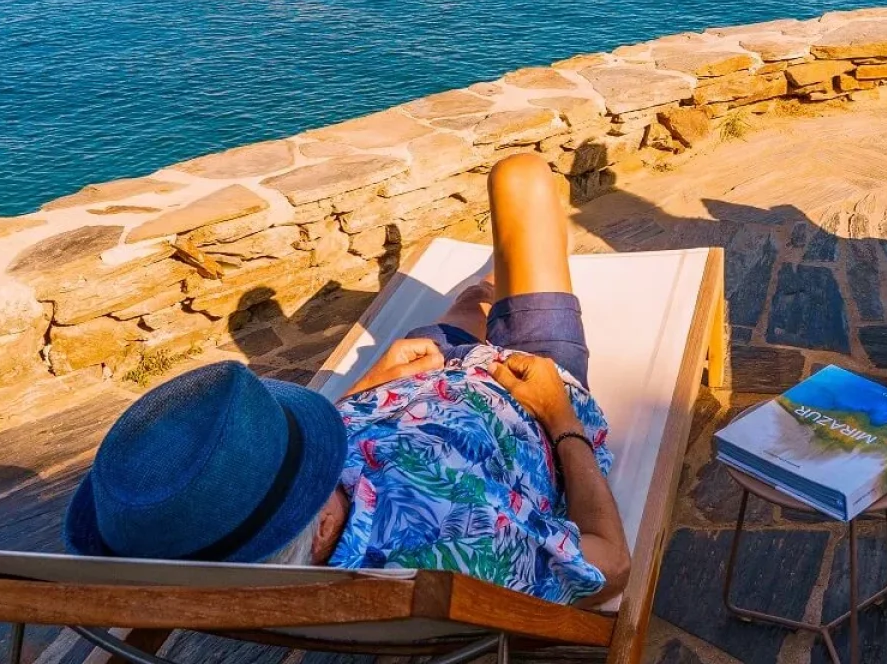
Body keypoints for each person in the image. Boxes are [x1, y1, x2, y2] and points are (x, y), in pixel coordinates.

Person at [64, 153, 630, 607]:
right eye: (312, 452)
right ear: (324, 523)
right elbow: (611, 568)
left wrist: (366, 389)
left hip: (419, 377)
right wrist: (559, 416)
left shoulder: (221, 529)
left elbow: (264, 485)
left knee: (470, 300)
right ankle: (499, 290)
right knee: (522, 176)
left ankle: (485, 292)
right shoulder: (463, 546)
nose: (315, 448)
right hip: (526, 386)